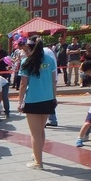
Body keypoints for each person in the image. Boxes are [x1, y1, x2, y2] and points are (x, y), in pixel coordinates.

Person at [17, 37, 57, 170]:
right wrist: (54, 97)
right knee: (40, 130)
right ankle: (37, 155)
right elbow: (53, 81)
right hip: (47, 99)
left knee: (35, 133)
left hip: (33, 100)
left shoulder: (26, 62)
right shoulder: (50, 59)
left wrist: (20, 101)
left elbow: (23, 84)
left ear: (28, 47)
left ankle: (38, 162)